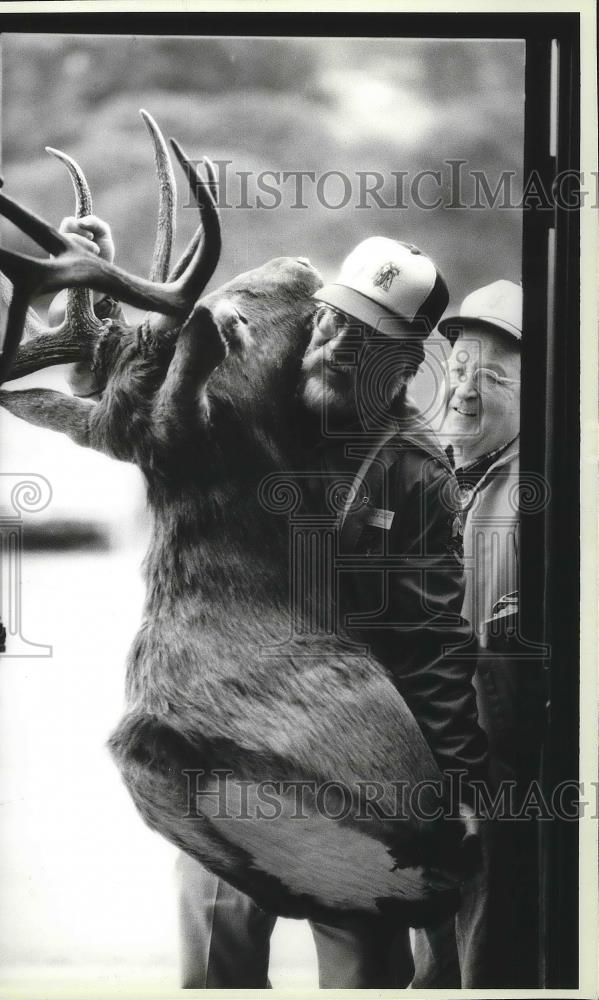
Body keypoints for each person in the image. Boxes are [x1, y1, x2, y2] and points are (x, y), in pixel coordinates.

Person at [176, 237, 488, 988]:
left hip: (356, 777)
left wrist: (461, 784)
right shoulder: (246, 409)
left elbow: (430, 643)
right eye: (333, 322)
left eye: (369, 339)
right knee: (216, 967)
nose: (339, 346)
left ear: (407, 364)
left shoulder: (415, 474)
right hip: (230, 754)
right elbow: (138, 400)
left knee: (360, 977)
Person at [411, 280, 544, 987]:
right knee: (434, 954)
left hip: (495, 775)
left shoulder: (539, 491)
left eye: (490, 377)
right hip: (428, 762)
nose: (463, 389)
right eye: (458, 369)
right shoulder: (435, 471)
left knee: (486, 959)